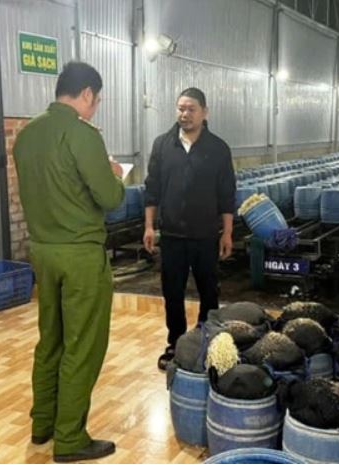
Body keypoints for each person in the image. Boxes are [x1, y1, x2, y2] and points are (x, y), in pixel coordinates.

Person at [13, 61, 124, 463]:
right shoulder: (82, 135)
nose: (94, 108)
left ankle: (42, 423)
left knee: (51, 341)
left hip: (42, 251)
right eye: (96, 101)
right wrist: (115, 175)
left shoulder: (26, 136)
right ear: (88, 94)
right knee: (83, 345)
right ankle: (70, 438)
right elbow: (110, 199)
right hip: (79, 254)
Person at [143, 87, 236, 371]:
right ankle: (176, 343)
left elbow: (227, 194)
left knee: (209, 291)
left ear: (204, 112)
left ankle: (208, 341)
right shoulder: (162, 145)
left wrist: (228, 232)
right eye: (181, 108)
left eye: (191, 109)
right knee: (172, 292)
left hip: (206, 236)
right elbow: (152, 189)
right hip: (171, 236)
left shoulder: (218, 148)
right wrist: (149, 226)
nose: (185, 114)